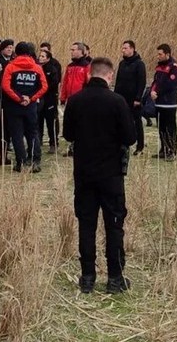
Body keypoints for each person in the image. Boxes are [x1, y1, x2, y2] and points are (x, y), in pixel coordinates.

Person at [63, 57, 136, 294]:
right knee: (114, 224)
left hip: (84, 172)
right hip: (111, 174)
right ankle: (115, 277)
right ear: (110, 75)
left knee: (86, 224)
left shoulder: (75, 101)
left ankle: (87, 277)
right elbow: (130, 138)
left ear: (88, 74)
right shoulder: (117, 102)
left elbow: (68, 135)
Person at [0, 42, 48, 172]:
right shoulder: (37, 68)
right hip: (31, 106)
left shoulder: (10, 66)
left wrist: (18, 98)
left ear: (17, 52)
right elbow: (44, 87)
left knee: (17, 134)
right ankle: (34, 160)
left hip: (14, 106)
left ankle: (21, 162)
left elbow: (5, 86)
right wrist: (31, 98)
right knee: (33, 133)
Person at [114, 40, 147, 156]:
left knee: (136, 122)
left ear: (132, 49)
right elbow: (118, 81)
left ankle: (140, 146)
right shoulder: (122, 64)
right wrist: (115, 95)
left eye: (125, 48)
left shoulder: (139, 64)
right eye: (122, 48)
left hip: (134, 99)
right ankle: (123, 144)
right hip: (121, 98)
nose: (123, 50)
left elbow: (142, 82)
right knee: (121, 121)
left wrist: (138, 98)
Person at [150, 43, 177, 161]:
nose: (158, 56)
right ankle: (163, 149)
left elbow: (170, 85)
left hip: (169, 104)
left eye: (160, 54)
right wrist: (152, 91)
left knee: (170, 128)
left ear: (167, 54)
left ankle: (172, 151)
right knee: (161, 128)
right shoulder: (159, 67)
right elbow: (155, 82)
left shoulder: (173, 67)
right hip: (159, 103)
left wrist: (158, 92)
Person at [60, 42, 91, 157]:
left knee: (81, 124)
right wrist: (63, 97)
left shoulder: (87, 66)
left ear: (81, 52)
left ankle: (81, 146)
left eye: (74, 50)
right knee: (71, 123)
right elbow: (65, 83)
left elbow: (89, 83)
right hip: (70, 99)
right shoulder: (70, 66)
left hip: (82, 100)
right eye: (71, 50)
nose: (71, 52)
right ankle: (72, 146)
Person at [38, 49, 61, 153]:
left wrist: (44, 89)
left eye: (43, 56)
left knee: (51, 122)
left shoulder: (52, 68)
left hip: (50, 99)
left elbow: (54, 82)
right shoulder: (37, 68)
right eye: (40, 56)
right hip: (39, 98)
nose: (40, 58)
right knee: (38, 120)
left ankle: (53, 143)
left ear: (48, 58)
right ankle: (38, 141)